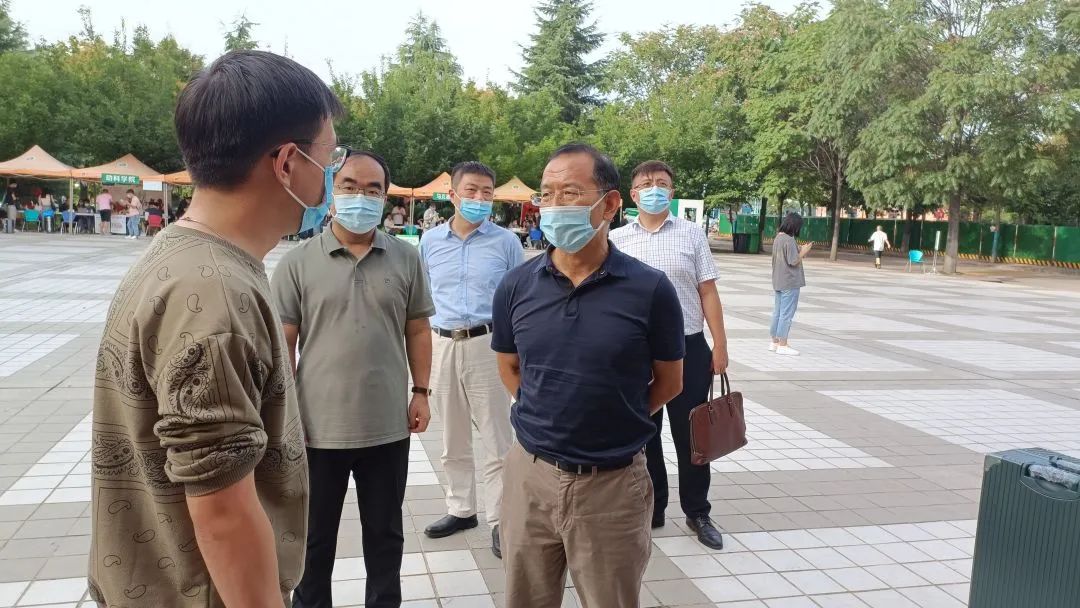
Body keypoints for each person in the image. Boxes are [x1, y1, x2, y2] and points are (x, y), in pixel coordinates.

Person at [89, 50, 343, 607]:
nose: (332, 176)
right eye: (330, 156)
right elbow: (224, 511)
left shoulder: (180, 256)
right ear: (287, 162)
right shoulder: (217, 297)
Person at [492, 143, 685, 608]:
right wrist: (548, 411)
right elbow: (509, 366)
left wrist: (612, 417)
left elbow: (670, 381)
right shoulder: (516, 285)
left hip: (613, 486)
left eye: (571, 193)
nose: (555, 205)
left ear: (610, 203)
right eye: (547, 194)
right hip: (530, 477)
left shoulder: (651, 290)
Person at [272, 150, 434, 608]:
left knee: (385, 535)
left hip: (387, 427)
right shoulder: (298, 262)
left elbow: (418, 329)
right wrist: (285, 414)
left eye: (372, 189)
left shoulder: (406, 258)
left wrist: (421, 392)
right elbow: (283, 342)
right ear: (331, 191)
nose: (360, 197)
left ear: (385, 197)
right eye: (349, 186)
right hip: (316, 429)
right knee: (313, 538)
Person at [610, 160, 729, 549]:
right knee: (645, 433)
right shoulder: (617, 239)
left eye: (661, 183)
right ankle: (653, 507)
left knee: (691, 434)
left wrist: (720, 345)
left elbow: (708, 291)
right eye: (646, 184)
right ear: (633, 194)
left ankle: (697, 511)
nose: (654, 189)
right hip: (637, 353)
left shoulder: (692, 235)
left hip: (688, 348)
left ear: (672, 192)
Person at [419, 161, 522, 557]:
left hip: (488, 343)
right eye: (472, 190)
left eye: (487, 192)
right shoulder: (430, 241)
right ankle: (461, 509)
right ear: (453, 195)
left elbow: (519, 299)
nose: (480, 198)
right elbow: (422, 297)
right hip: (442, 343)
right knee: (452, 436)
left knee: (497, 437)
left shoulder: (506, 243)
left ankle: (500, 519)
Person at [770, 212, 812, 356]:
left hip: (778, 280)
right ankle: (783, 344)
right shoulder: (789, 239)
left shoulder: (778, 238)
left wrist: (799, 249)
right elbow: (793, 260)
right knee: (786, 314)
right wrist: (804, 251)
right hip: (790, 281)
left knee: (777, 312)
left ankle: (774, 342)